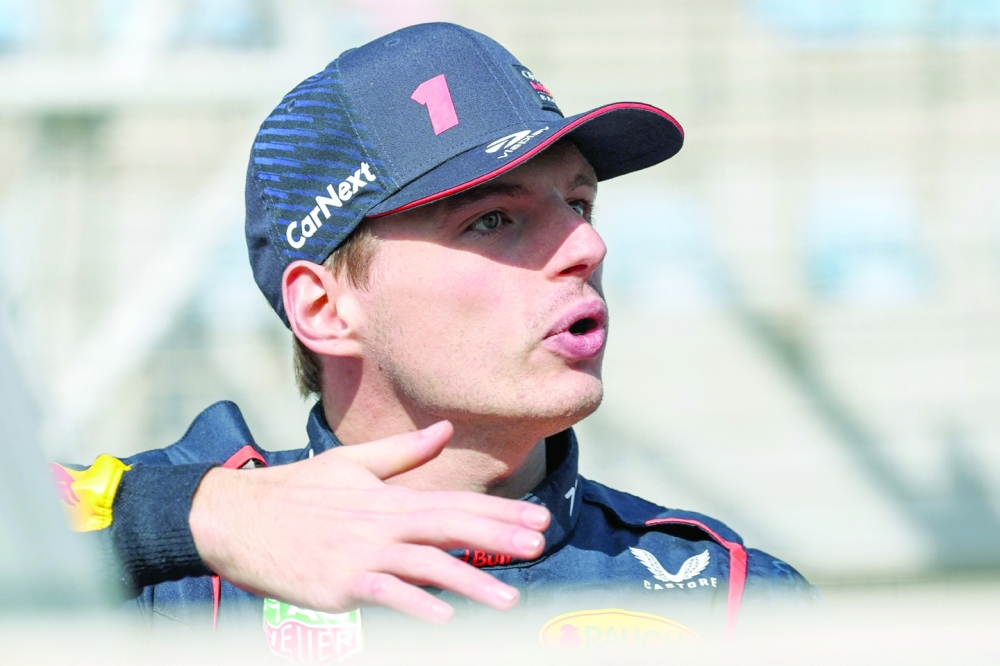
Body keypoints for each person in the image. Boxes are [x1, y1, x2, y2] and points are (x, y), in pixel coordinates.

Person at [50, 22, 816, 657]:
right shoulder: (182, 573)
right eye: (493, 220)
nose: (586, 248)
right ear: (324, 308)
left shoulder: (728, 598)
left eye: (579, 203)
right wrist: (194, 518)